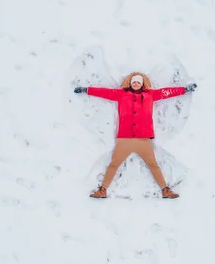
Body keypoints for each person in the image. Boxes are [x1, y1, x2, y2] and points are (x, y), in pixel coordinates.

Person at [74, 71, 197, 199]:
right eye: (134, 82)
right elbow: (103, 92)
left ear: (142, 84)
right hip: (124, 140)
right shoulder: (121, 94)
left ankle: (165, 190)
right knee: (114, 164)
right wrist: (86, 89)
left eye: (139, 82)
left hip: (144, 140)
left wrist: (184, 89)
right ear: (130, 83)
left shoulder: (150, 95)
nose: (136, 84)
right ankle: (103, 190)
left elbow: (168, 92)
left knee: (153, 165)